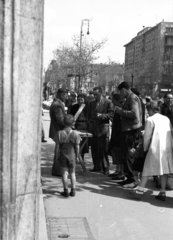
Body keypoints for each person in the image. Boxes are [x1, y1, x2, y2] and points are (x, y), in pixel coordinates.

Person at [130, 101, 173, 201]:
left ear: (150, 109)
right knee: (164, 170)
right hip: (167, 147)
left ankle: (140, 190)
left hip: (155, 147)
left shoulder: (150, 119)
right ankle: (162, 192)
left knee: (147, 168)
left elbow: (147, 137)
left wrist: (145, 149)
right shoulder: (166, 118)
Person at [114, 82, 142, 185]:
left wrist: (120, 111)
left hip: (131, 130)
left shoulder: (132, 98)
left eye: (120, 92)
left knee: (129, 154)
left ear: (124, 90)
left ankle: (132, 178)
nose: (120, 94)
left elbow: (134, 114)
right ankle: (129, 177)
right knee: (126, 154)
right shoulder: (131, 97)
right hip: (128, 129)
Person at [88, 86, 114, 174]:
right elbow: (88, 114)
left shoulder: (108, 102)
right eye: (93, 94)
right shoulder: (91, 103)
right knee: (94, 149)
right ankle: (96, 166)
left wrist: (102, 116)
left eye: (96, 94)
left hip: (103, 129)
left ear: (101, 93)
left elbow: (111, 114)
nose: (95, 96)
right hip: (94, 129)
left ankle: (105, 168)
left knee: (103, 149)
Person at [54, 114, 81, 197]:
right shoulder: (76, 134)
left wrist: (56, 156)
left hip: (63, 155)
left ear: (63, 123)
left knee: (64, 173)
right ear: (73, 123)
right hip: (72, 155)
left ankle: (65, 190)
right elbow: (77, 146)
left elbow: (57, 146)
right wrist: (77, 156)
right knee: (72, 173)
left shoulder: (59, 133)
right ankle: (73, 190)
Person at [49, 88, 68, 176]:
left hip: (57, 130)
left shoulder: (57, 103)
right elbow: (60, 120)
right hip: (58, 131)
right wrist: (68, 123)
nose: (66, 97)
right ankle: (58, 170)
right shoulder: (58, 105)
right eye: (65, 95)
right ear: (61, 95)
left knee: (59, 150)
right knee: (59, 151)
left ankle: (57, 170)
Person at [107, 93, 125, 180]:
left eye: (113, 100)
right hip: (115, 134)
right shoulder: (116, 108)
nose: (112, 101)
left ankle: (121, 172)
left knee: (120, 153)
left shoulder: (121, 109)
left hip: (120, 135)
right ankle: (117, 171)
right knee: (116, 153)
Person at [69, 94, 89, 159]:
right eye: (79, 99)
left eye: (81, 99)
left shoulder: (87, 107)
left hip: (84, 125)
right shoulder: (73, 107)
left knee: (83, 143)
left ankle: (81, 157)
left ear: (84, 100)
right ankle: (75, 157)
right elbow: (70, 115)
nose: (80, 101)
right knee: (76, 142)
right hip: (76, 126)